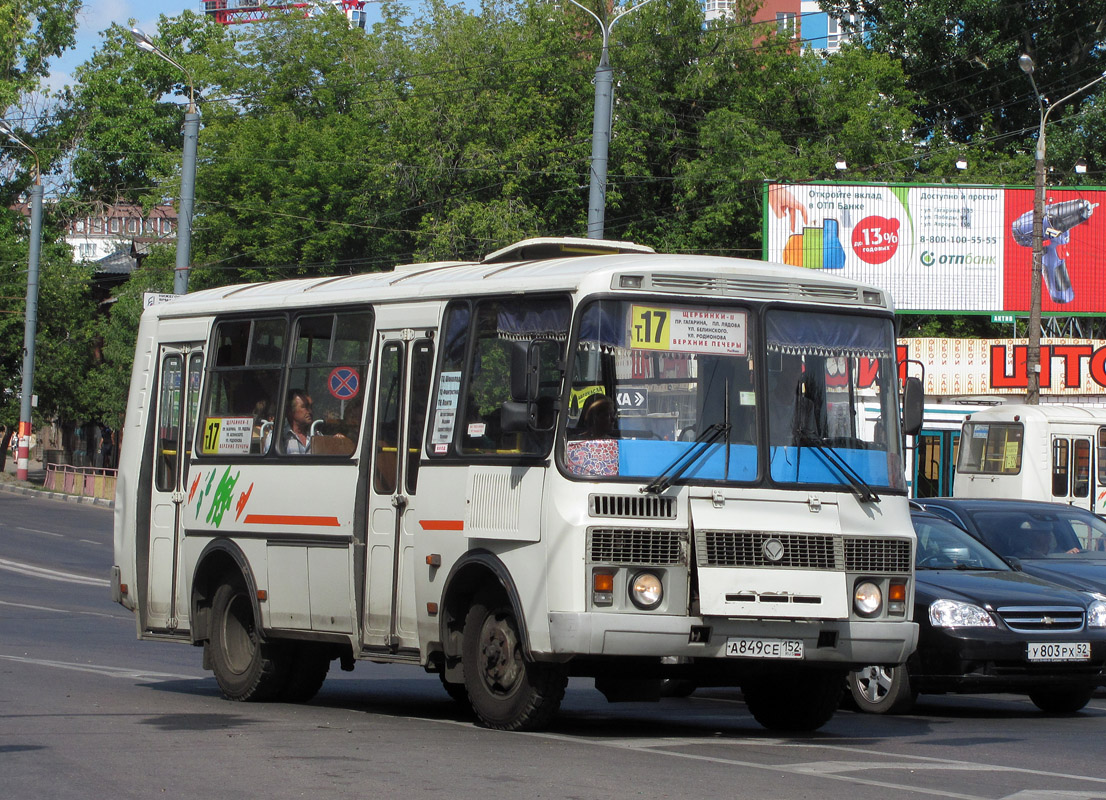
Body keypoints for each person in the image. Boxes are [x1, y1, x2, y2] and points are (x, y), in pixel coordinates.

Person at [281, 389, 314, 455]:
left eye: (311, 407)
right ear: (290, 411)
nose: (310, 411)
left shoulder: (315, 434)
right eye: (305, 407)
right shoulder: (279, 436)